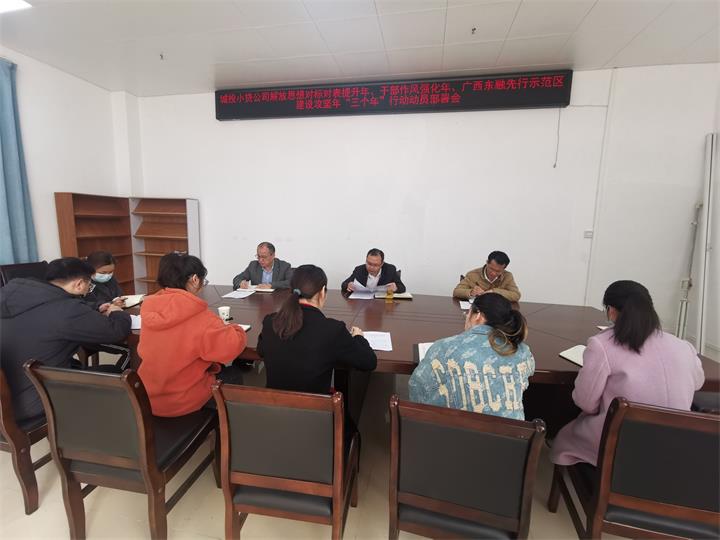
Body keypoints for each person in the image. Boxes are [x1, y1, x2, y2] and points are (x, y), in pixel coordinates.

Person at [551, 280, 705, 467]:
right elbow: (698, 383)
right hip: (676, 446)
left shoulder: (602, 345)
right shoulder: (683, 346)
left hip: (621, 446)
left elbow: (586, 402)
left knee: (564, 437)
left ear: (611, 311)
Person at [0, 257, 131, 423]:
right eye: (89, 285)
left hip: (8, 398)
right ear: (79, 284)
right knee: (117, 374)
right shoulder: (68, 311)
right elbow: (116, 331)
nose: (88, 290)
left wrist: (94, 307)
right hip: (35, 400)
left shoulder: (14, 294)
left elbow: (51, 308)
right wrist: (117, 312)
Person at [138, 253, 247, 417]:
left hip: (146, 397)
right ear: (195, 279)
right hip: (182, 401)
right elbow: (231, 347)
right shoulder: (200, 317)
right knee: (234, 374)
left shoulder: (150, 307)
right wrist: (236, 328)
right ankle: (224, 425)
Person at [409, 293, 534, 419]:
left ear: (478, 315)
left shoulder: (443, 347)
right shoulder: (523, 350)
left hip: (454, 429)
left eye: (467, 313)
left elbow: (416, 387)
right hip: (512, 431)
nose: (466, 317)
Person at [257, 264, 377, 395]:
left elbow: (261, 351)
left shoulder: (270, 321)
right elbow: (369, 362)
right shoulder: (333, 330)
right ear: (322, 291)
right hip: (316, 407)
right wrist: (358, 337)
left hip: (272, 405)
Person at [453, 250, 521, 301]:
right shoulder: (472, 274)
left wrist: (494, 292)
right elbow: (456, 291)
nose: (493, 273)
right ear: (487, 263)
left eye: (498, 271)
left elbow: (516, 295)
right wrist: (471, 292)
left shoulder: (507, 276)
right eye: (491, 269)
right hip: (476, 309)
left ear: (504, 269)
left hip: (497, 311)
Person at [341, 248, 406, 294]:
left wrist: (396, 288)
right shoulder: (359, 269)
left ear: (382, 264)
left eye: (375, 265)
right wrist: (348, 285)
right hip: (363, 304)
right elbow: (344, 284)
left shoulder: (390, 270)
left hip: (382, 305)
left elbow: (402, 288)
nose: (371, 267)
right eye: (369, 263)